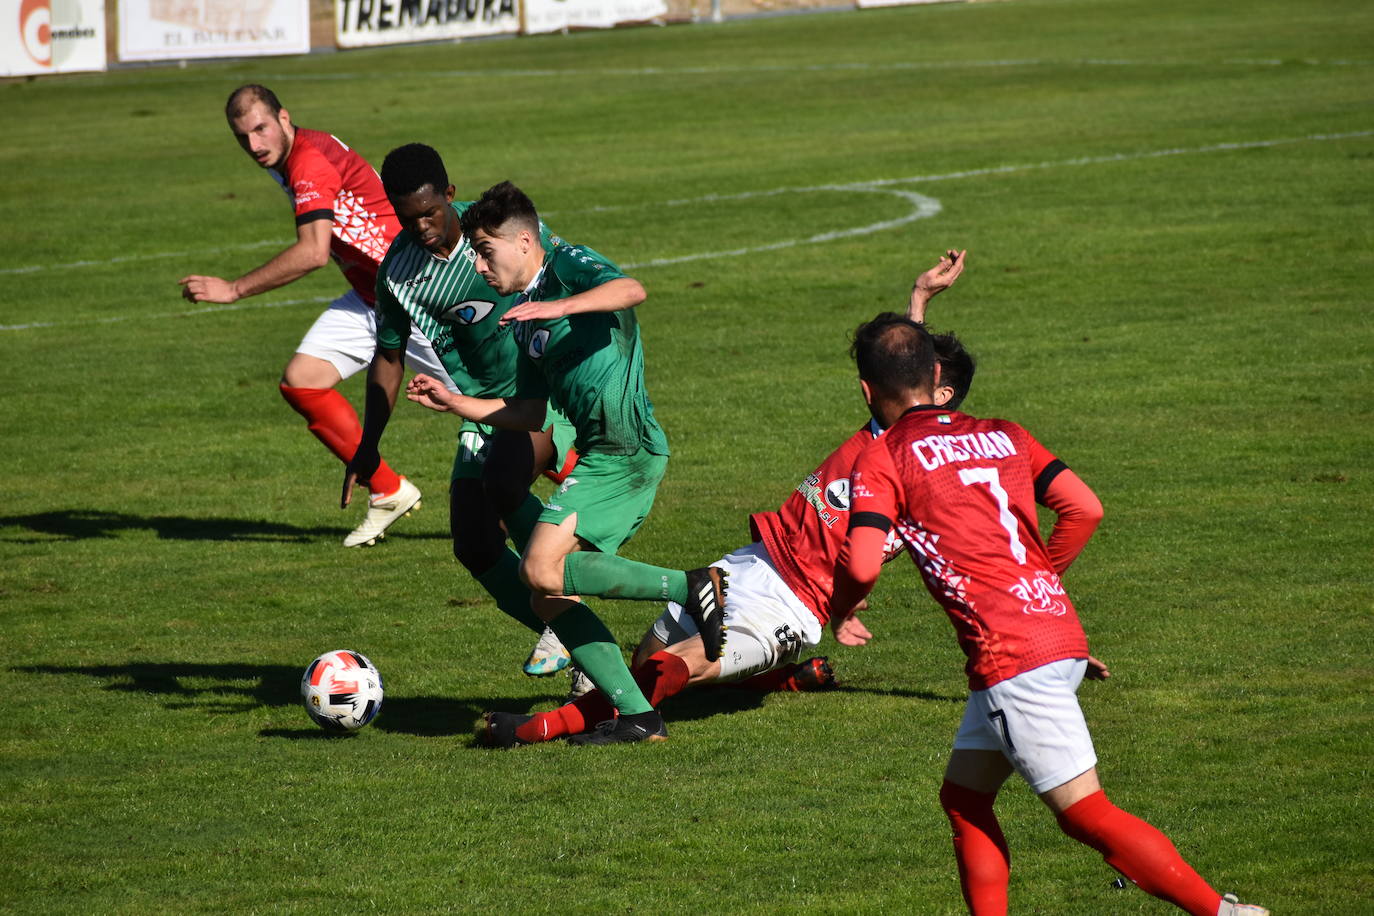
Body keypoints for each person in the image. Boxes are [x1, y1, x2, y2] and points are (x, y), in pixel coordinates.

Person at [828, 315, 1268, 916]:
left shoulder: (882, 459)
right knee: (963, 799)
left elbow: (861, 566)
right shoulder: (1008, 434)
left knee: (1086, 813)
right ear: (936, 375)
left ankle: (1222, 913)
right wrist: (1033, 587)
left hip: (1011, 658)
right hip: (1054, 632)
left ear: (865, 390)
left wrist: (841, 610)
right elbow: (1084, 508)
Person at [481, 251, 972, 748]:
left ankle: (541, 727)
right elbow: (899, 364)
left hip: (792, 606)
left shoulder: (933, 478)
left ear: (942, 393)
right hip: (748, 564)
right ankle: (773, 677)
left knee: (670, 669)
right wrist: (919, 301)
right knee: (638, 666)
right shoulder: (883, 427)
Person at [406, 180, 725, 744]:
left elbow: (631, 290)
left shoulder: (567, 265)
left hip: (628, 451)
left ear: (524, 242)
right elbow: (529, 411)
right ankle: (638, 717)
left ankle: (690, 585)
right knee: (542, 590)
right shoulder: (526, 316)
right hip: (604, 455)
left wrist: (559, 303)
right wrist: (456, 403)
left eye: (484, 250)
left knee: (537, 571)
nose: (479, 265)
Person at [342, 143, 583, 676]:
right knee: (474, 544)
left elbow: (566, 272)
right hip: (482, 409)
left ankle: (568, 607)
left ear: (449, 195)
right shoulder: (398, 276)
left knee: (502, 481)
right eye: (409, 218)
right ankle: (567, 637)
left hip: (546, 394)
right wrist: (368, 444)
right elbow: (387, 359)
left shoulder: (494, 229)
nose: (423, 226)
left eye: (431, 212)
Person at [179, 85, 450, 548]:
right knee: (302, 379)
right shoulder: (290, 157)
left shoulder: (307, 162)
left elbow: (312, 252)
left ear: (284, 118)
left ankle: (587, 483)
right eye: (242, 137)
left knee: (496, 411)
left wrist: (234, 289)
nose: (254, 145)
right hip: (373, 297)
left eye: (261, 129)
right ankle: (388, 490)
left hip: (417, 296)